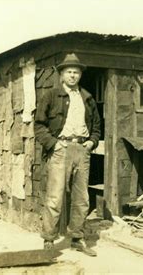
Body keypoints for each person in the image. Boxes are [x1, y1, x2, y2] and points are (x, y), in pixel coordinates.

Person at [35, 53, 101, 257]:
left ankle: (77, 238)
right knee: (55, 197)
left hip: (82, 150)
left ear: (80, 75)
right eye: (69, 72)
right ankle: (48, 240)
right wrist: (54, 144)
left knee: (82, 199)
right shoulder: (51, 95)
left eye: (76, 72)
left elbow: (97, 126)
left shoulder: (87, 97)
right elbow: (39, 125)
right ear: (62, 75)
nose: (73, 76)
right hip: (60, 149)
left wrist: (91, 142)